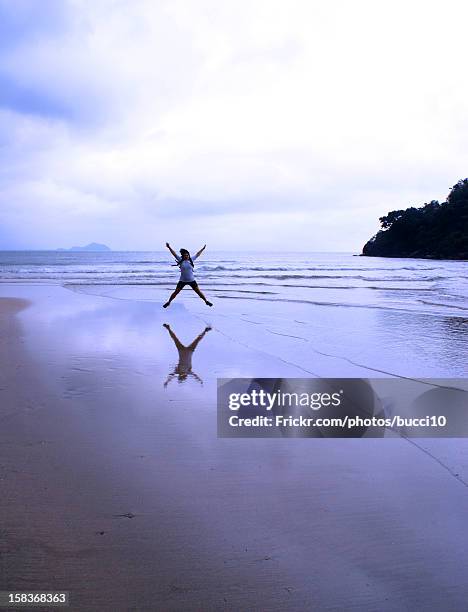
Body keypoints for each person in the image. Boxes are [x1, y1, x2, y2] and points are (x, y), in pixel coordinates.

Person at [163, 242, 213, 308]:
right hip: (182, 281)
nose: (186, 256)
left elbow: (198, 254)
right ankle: (169, 302)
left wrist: (203, 249)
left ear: (188, 255)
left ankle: (206, 301)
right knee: (176, 292)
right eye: (185, 255)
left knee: (199, 292)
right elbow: (174, 254)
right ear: (183, 256)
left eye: (187, 255)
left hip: (192, 280)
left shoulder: (191, 260)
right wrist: (169, 247)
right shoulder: (180, 260)